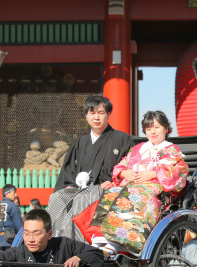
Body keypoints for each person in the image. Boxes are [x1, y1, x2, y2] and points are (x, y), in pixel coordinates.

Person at [90, 110, 188, 255]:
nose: (153, 132)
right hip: (131, 184)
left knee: (135, 195)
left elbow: (179, 171)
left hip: (156, 189)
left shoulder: (172, 150)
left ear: (166, 129)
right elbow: (121, 166)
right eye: (149, 129)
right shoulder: (137, 149)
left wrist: (154, 173)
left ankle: (125, 240)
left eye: (157, 127)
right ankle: (103, 238)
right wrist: (124, 173)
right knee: (111, 193)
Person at [49, 95, 136, 238]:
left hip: (107, 190)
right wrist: (69, 185)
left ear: (108, 114)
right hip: (81, 189)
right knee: (57, 198)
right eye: (92, 113)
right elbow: (68, 171)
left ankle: (77, 245)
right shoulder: (80, 143)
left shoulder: (122, 139)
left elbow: (129, 168)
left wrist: (115, 182)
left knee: (82, 199)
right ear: (86, 116)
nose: (96, 117)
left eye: (101, 113)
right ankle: (56, 239)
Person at [0, 184, 24, 252]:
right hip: (9, 240)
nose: (16, 195)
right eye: (14, 193)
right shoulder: (13, 206)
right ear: (7, 194)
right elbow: (19, 226)